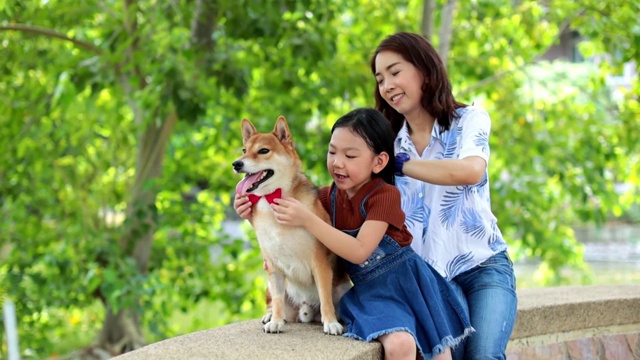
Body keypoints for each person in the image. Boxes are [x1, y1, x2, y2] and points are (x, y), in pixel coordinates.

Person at [236, 108, 473, 360]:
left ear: (379, 162)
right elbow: (288, 233)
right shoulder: (327, 197)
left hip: (407, 286)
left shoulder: (384, 196)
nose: (338, 162)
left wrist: (307, 218)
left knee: (439, 353)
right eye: (332, 152)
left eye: (350, 155)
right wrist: (250, 212)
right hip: (367, 293)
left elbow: (360, 251)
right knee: (400, 345)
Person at [370, 31, 518, 360]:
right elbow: (349, 196)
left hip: (485, 267)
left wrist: (399, 165)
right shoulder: (387, 144)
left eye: (395, 72)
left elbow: (469, 171)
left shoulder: (469, 120)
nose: (387, 85)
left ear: (425, 69)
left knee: (484, 356)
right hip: (431, 279)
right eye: (380, 79)